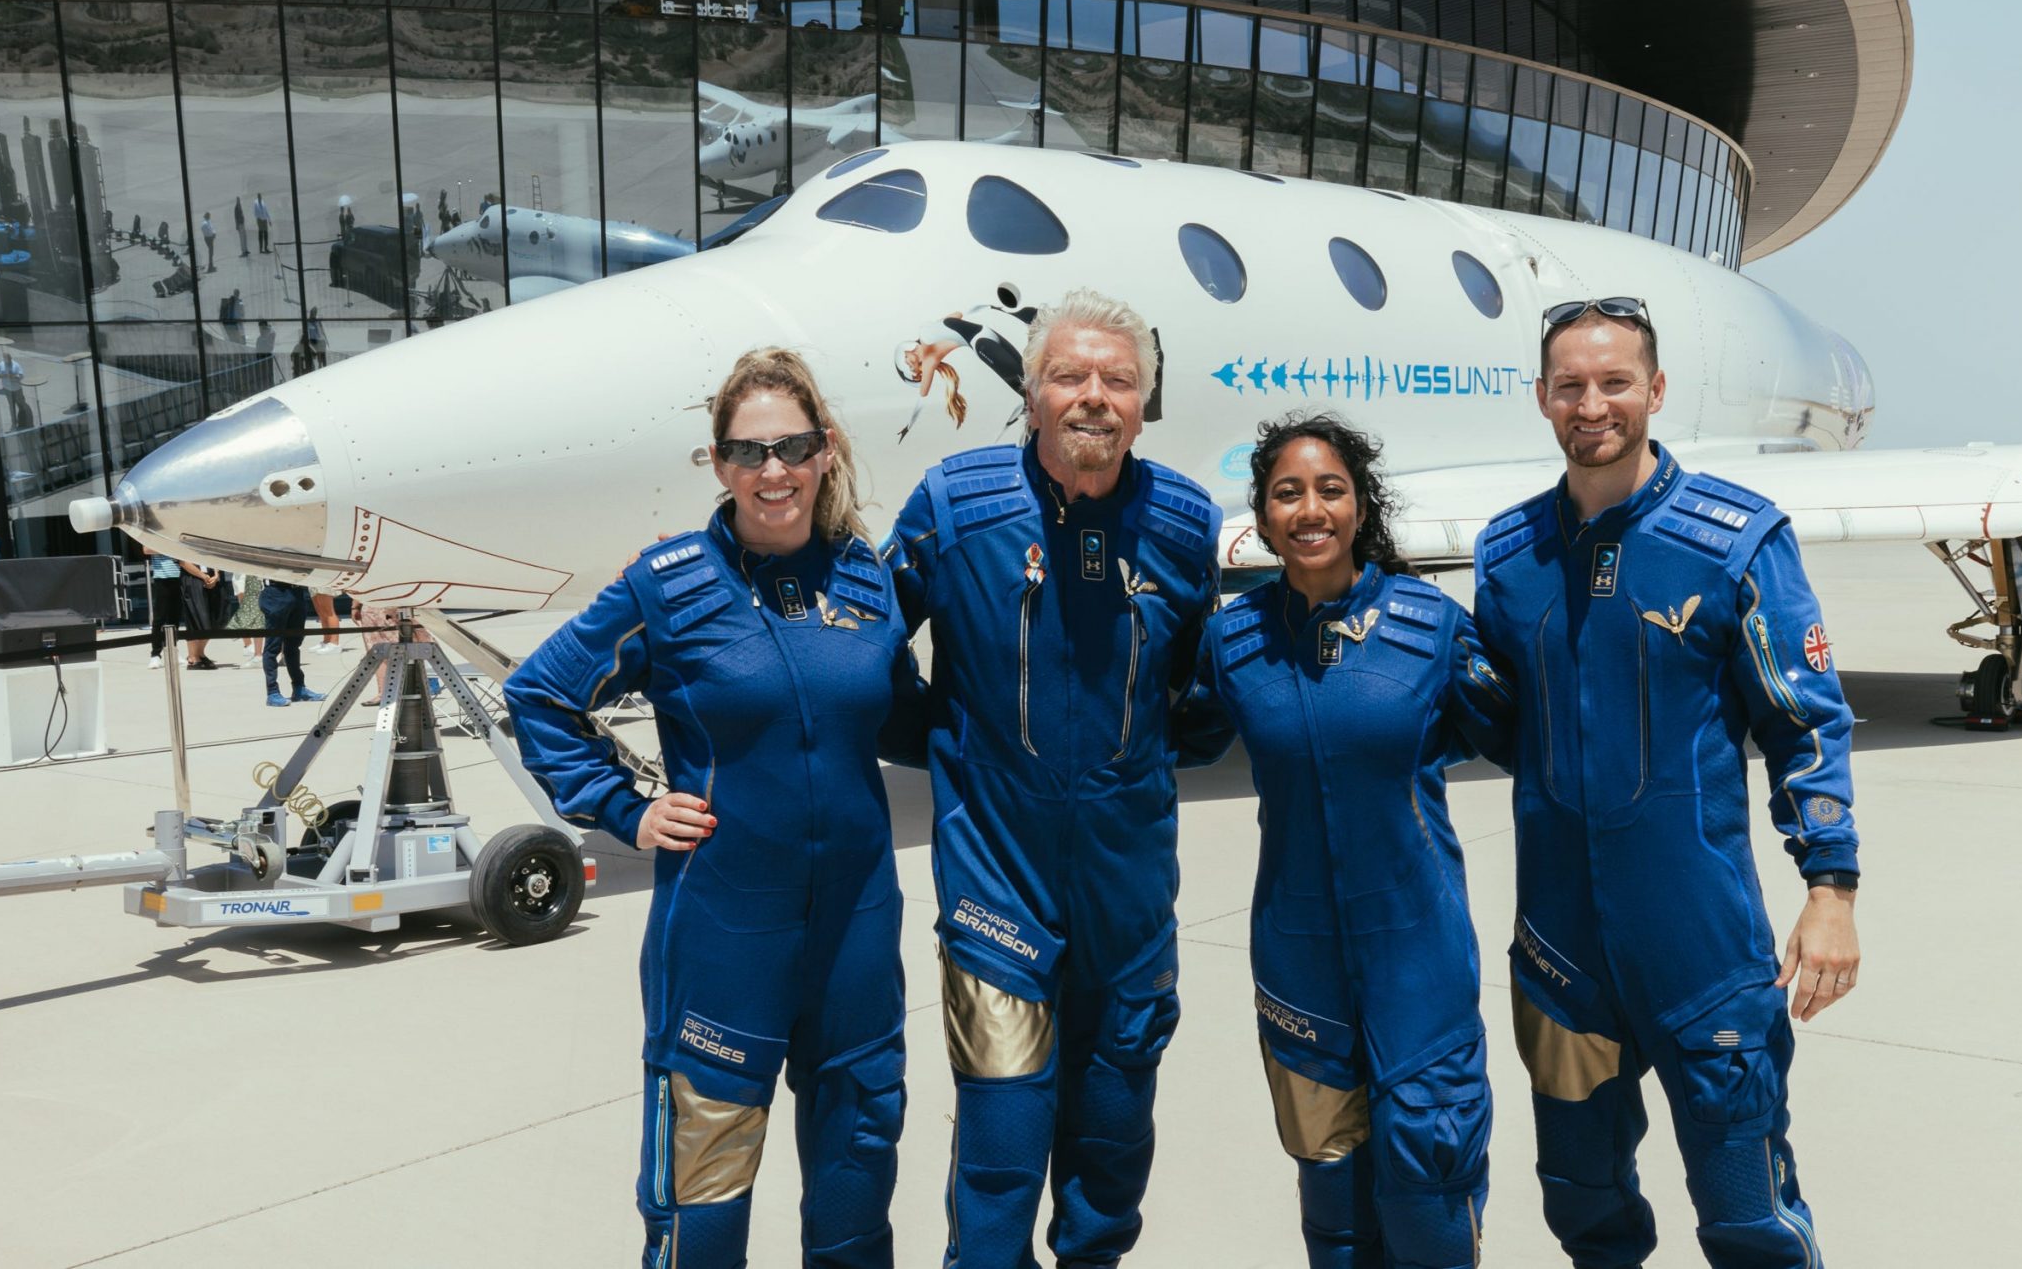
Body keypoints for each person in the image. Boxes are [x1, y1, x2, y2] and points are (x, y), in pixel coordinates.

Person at [507, 347, 924, 1269]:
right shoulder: (671, 582)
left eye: (792, 447)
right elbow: (540, 695)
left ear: (824, 451)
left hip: (857, 936)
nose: (771, 472)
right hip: (725, 937)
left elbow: (909, 719)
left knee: (858, 1196)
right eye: (747, 452)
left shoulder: (866, 578)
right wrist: (625, 808)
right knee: (704, 1211)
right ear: (718, 461)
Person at [1472, 298, 1861, 1269]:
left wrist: (1831, 887)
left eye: (1612, 382)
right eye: (1569, 385)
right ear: (1540, 398)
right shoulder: (1507, 553)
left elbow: (1805, 719)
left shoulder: (1733, 538)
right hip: (1560, 952)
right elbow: (1491, 716)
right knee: (1583, 1207)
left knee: (1747, 1216)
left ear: (1654, 390)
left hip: (1701, 950)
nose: (1591, 403)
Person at [882, 288, 1220, 1269]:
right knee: (1000, 1137)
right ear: (1030, 395)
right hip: (998, 883)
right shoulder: (955, 504)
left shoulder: (1186, 524)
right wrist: (947, 738)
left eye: (1117, 380)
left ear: (1142, 404)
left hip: (1129, 895)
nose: (1092, 397)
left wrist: (1143, 765)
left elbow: (1201, 694)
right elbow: (862, 653)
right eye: (1068, 376)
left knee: (1112, 1140)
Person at [1176, 412, 1512, 1268]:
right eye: (1288, 492)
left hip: (1419, 957)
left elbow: (1524, 738)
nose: (1311, 508)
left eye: (1331, 489)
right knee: (1331, 1199)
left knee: (1430, 1184)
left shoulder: (1430, 625)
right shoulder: (1232, 638)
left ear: (1361, 505)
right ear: (1261, 515)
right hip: (1296, 958)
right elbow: (1167, 738)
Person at [257, 579, 325, 708]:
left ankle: (299, 688)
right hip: (275, 591)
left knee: (293, 645)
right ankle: (272, 692)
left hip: (296, 591)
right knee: (273, 647)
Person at [176, 558, 222, 669]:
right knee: (197, 618)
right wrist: (203, 576)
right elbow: (183, 562)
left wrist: (216, 575)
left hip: (211, 578)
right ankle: (193, 657)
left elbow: (215, 556)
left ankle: (200, 653)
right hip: (192, 579)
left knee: (215, 619)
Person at [143, 546, 183, 668]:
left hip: (180, 575)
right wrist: (170, 549)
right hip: (162, 577)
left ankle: (173, 651)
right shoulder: (154, 533)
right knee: (159, 618)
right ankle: (155, 654)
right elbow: (146, 549)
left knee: (175, 617)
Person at [228, 571, 266, 657]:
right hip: (241, 574)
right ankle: (247, 645)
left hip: (257, 575)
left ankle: (251, 647)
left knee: (256, 612)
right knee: (245, 610)